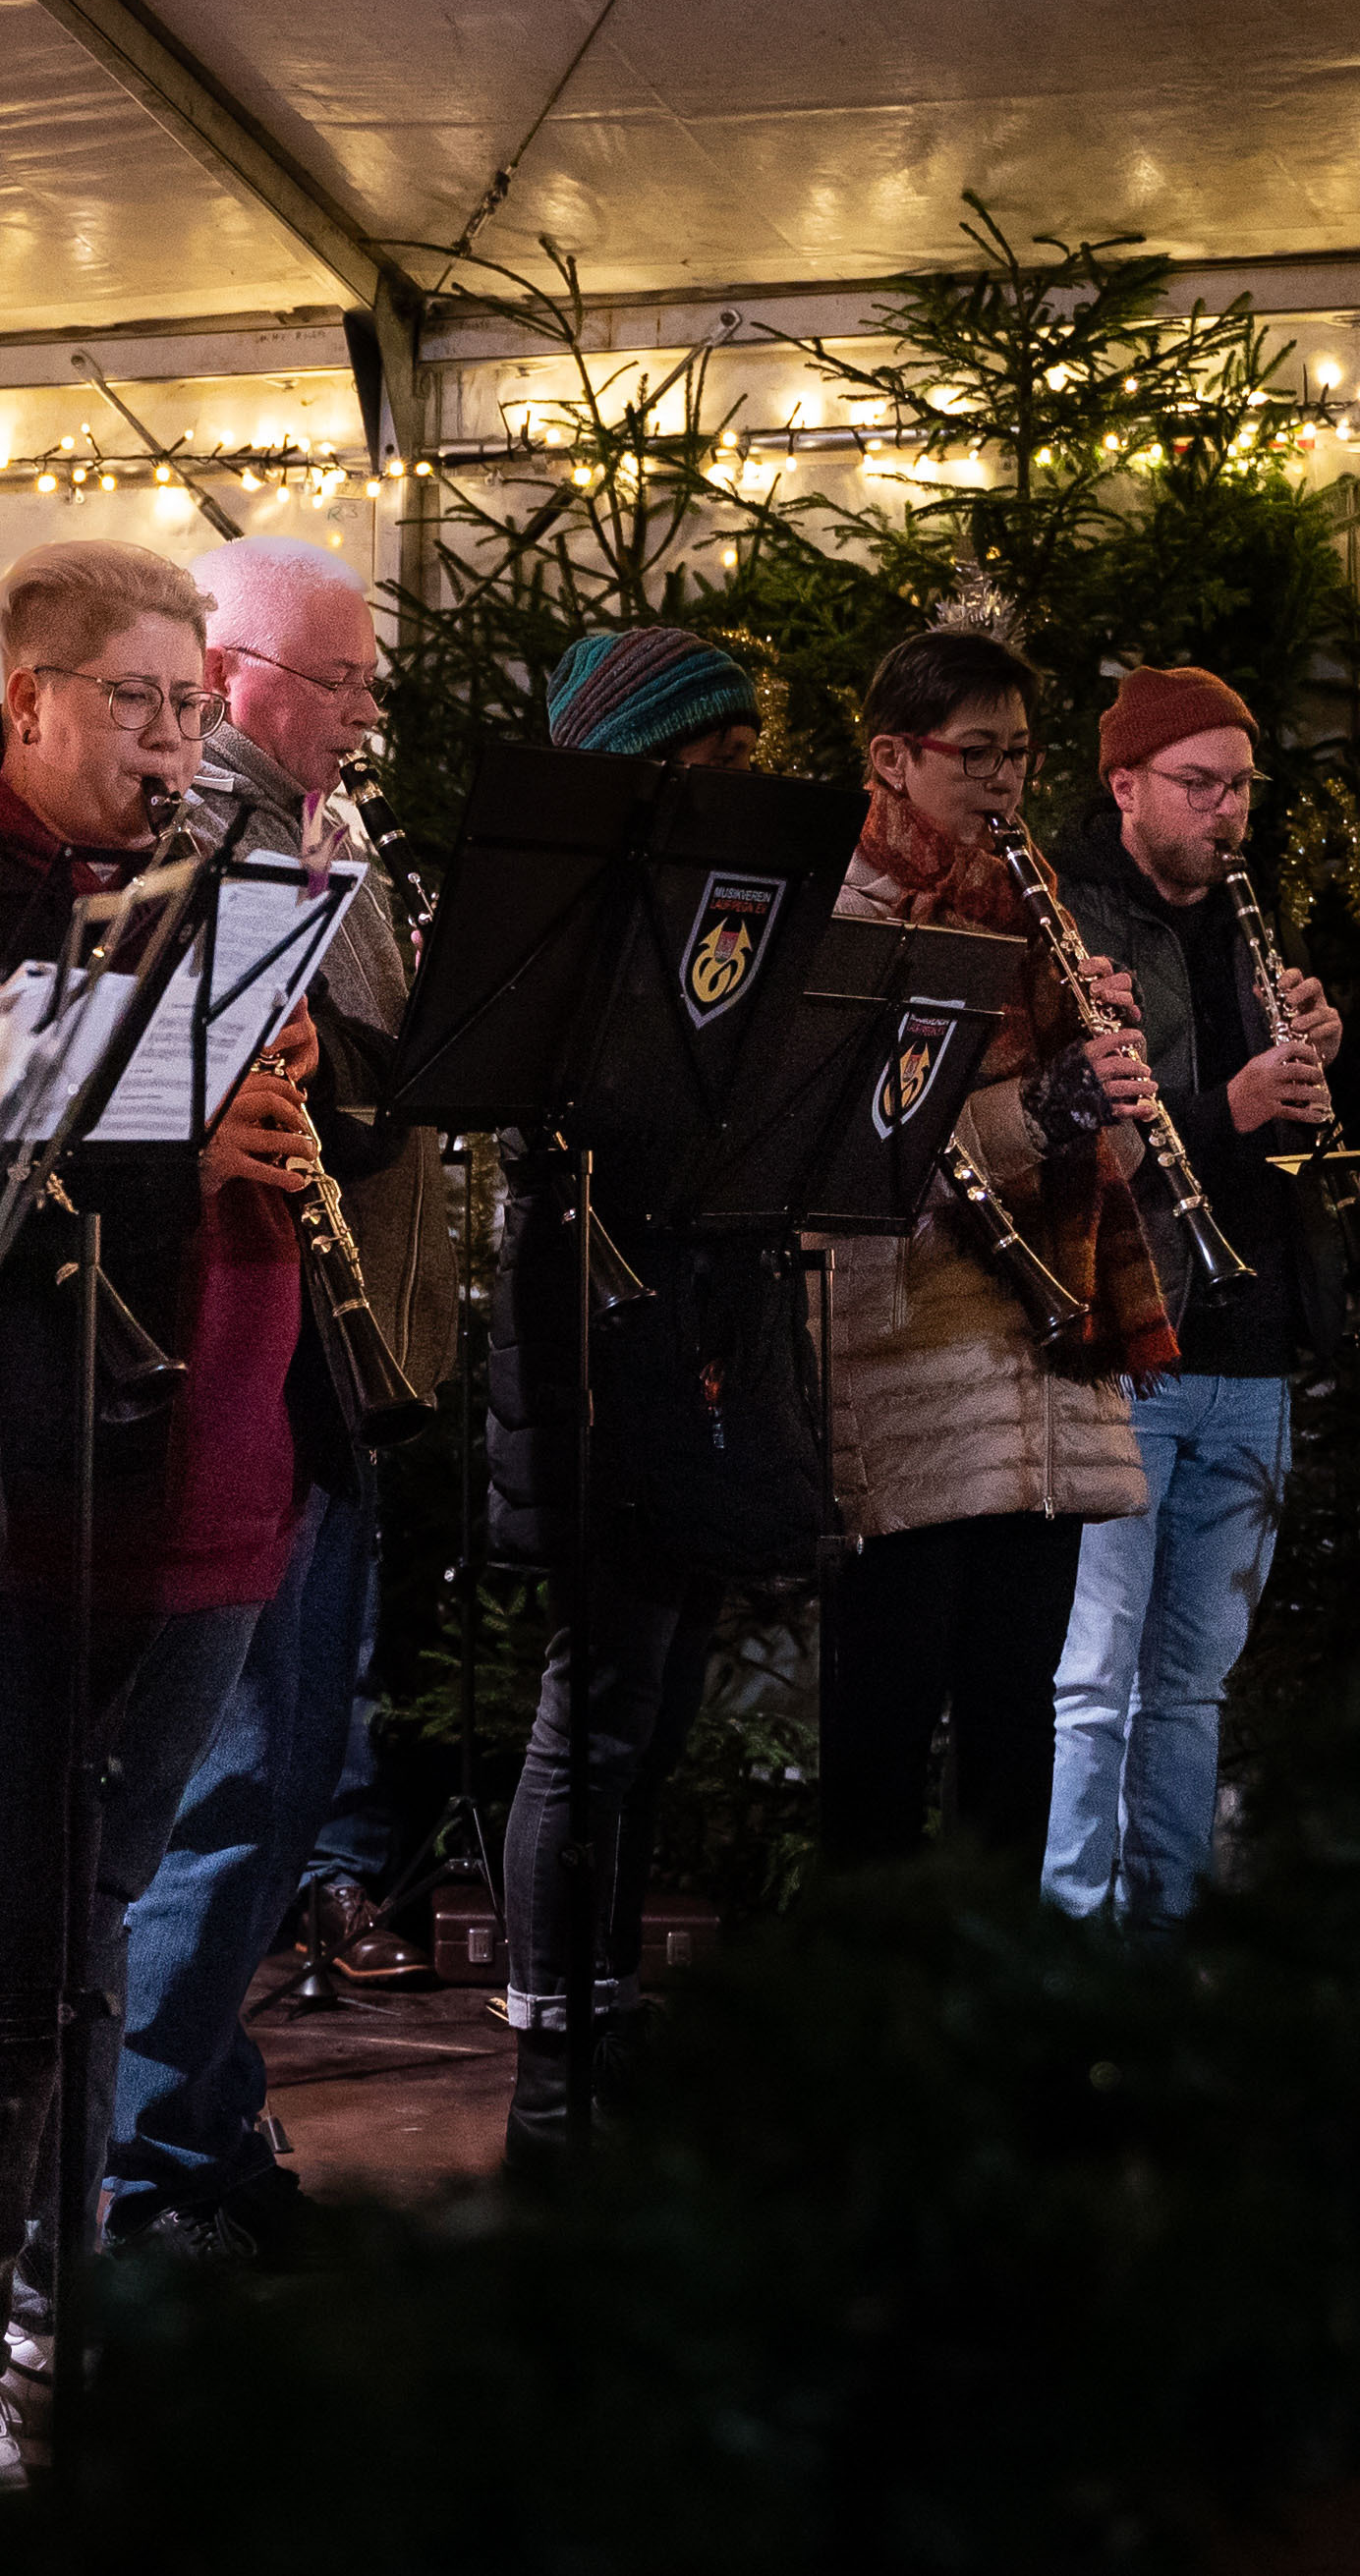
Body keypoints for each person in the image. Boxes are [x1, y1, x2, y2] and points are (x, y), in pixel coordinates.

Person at [0, 539, 324, 2469]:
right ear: (27, 693)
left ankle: (62, 2286)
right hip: (7, 1497)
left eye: (179, 702)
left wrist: (285, 1097)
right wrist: (179, 1126)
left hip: (204, 1460)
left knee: (105, 1908)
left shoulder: (189, 879)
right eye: (130, 700)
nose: (164, 737)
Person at [104, 532, 449, 2252]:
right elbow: (302, 1075)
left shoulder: (326, 829)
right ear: (240, 673)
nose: (365, 711)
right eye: (342, 680)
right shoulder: (217, 835)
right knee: (231, 1791)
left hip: (326, 1335)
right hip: (253, 1347)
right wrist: (378, 1070)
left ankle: (202, 2128)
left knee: (282, 1771)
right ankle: (155, 2155)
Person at [479, 625, 834, 2161]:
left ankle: (607, 2001)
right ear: (647, 767)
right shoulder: (573, 919)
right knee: (597, 1703)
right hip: (593, 1318)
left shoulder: (724, 913)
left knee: (656, 1690)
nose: (741, 784)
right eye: (716, 758)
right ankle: (551, 2043)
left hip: (694, 1306)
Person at [817, 626, 1167, 1875]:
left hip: (1044, 1345)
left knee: (1016, 1716)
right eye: (975, 755)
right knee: (888, 1714)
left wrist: (1104, 1086)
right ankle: (872, 2014)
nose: (1005, 782)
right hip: (909, 1353)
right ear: (892, 758)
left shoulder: (1035, 903)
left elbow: (1073, 1139)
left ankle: (993, 2016)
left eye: (1019, 754)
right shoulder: (847, 910)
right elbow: (867, 1149)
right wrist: (1051, 1106)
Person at [1042, 665, 1351, 1936]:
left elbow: (1290, 1140)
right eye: (1198, 783)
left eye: (1239, 786)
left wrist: (1320, 1057)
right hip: (1137, 1343)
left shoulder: (1245, 922)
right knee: (1092, 1679)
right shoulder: (1068, 914)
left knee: (1189, 1687)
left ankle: (1162, 1941)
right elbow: (1080, 1134)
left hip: (1255, 1345)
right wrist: (1228, 1104)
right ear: (1125, 784)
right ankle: (1065, 1942)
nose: (1226, 811)